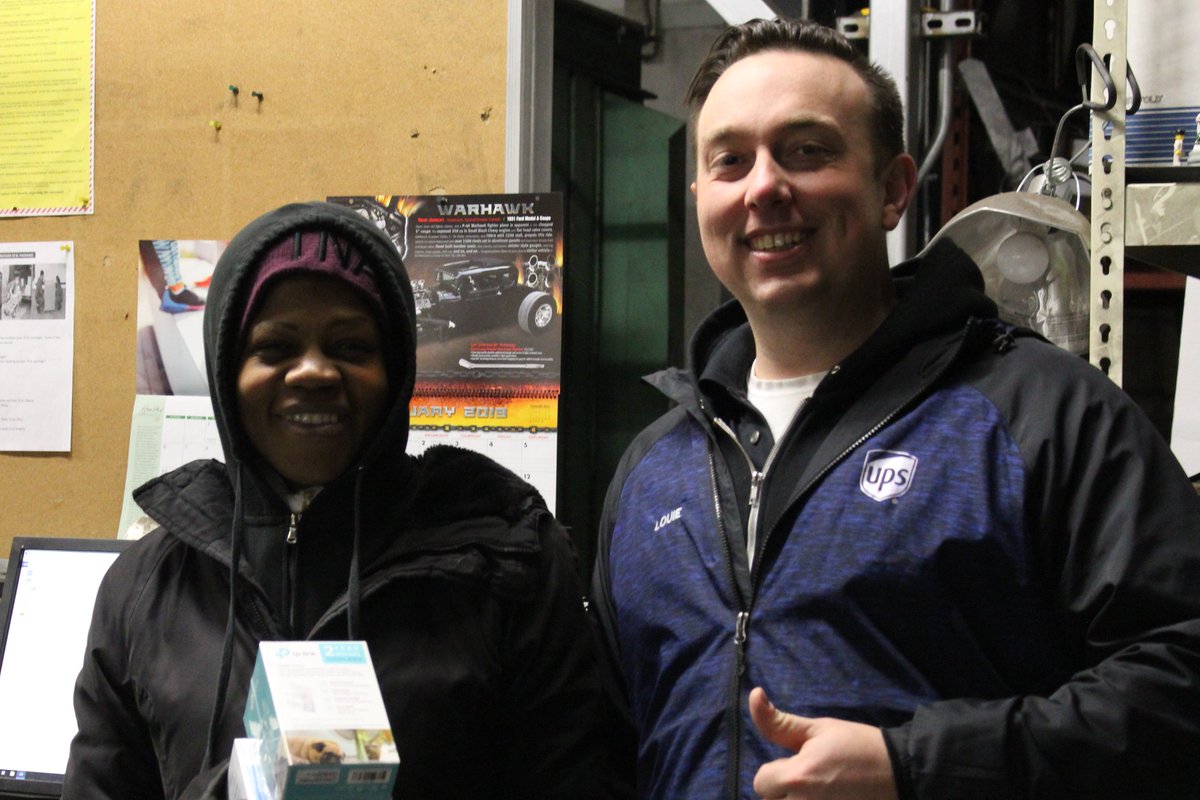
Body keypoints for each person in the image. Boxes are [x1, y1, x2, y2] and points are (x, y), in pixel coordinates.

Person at [590, 17, 1200, 800]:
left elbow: (1180, 684)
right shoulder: (656, 468)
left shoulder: (1041, 415)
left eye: (807, 150)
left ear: (893, 189)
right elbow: (605, 742)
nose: (765, 186)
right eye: (731, 160)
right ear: (701, 195)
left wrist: (920, 766)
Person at [65, 201, 622, 799]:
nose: (313, 372)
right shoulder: (146, 589)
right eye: (274, 348)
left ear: (397, 371)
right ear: (227, 372)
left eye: (352, 347)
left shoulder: (508, 564)